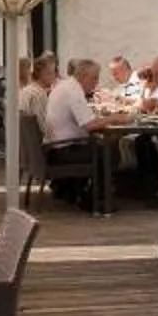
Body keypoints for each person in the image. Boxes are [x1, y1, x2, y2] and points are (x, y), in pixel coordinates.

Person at [44, 58, 118, 208]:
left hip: (53, 148)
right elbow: (89, 125)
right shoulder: (73, 91)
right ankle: (94, 199)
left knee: (103, 145)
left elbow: (85, 120)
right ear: (83, 76)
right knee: (109, 150)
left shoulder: (65, 86)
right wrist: (116, 118)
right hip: (63, 151)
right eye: (94, 78)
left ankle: (68, 189)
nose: (96, 82)